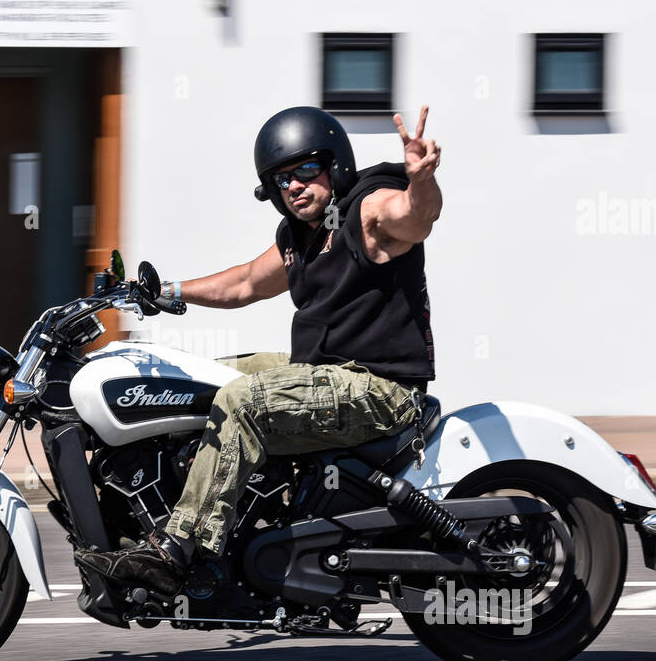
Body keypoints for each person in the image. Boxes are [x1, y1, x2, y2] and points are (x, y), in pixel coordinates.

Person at [75, 104, 442, 596]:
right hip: (321, 371)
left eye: (307, 170)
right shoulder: (300, 237)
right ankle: (146, 509)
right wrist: (165, 291)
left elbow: (415, 217)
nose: (294, 185)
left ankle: (179, 549)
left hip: (380, 388)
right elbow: (245, 283)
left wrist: (420, 182)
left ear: (335, 166)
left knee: (240, 403)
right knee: (192, 380)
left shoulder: (366, 209)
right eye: (281, 179)